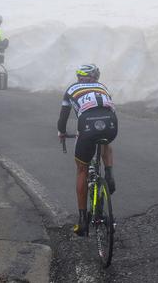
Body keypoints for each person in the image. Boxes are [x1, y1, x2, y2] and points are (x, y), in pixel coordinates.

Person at [57, 64, 118, 236]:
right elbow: (109, 108)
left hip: (87, 126)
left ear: (79, 78)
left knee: (82, 169)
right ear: (96, 78)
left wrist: (62, 132)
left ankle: (83, 220)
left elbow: (62, 119)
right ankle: (109, 175)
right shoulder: (102, 87)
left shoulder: (71, 89)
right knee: (105, 141)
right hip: (111, 124)